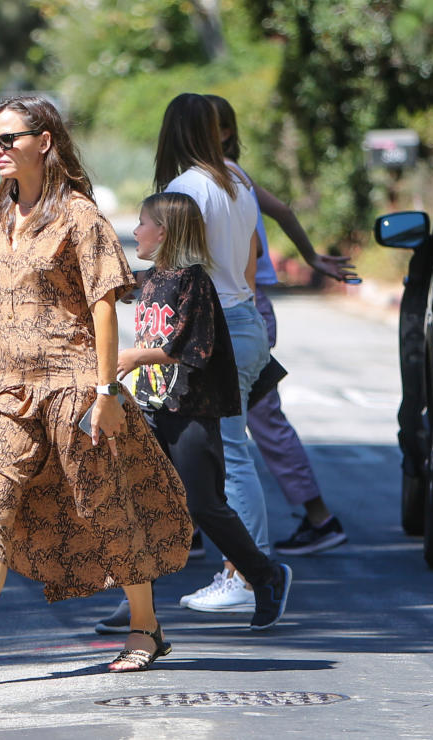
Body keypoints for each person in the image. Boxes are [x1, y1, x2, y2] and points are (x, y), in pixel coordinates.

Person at [0, 95, 192, 686]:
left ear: (46, 140)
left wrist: (107, 390)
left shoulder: (80, 217)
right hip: (9, 391)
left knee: (105, 502)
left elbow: (105, 307)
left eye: (9, 139)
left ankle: (146, 625)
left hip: (74, 387)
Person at [95, 193, 292, 633]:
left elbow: (193, 349)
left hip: (188, 410)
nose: (136, 231)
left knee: (204, 505)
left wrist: (132, 357)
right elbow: (104, 285)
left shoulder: (193, 282)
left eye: (142, 223)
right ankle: (137, 605)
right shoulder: (148, 280)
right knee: (138, 503)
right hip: (149, 408)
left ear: (163, 231)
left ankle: (264, 575)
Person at [155, 92, 290, 615]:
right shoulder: (236, 181)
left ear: (171, 131)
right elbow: (253, 260)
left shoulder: (186, 188)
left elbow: (178, 273)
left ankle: (250, 574)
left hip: (215, 328)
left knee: (229, 454)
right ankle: (246, 570)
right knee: (224, 451)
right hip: (245, 315)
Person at [206, 94, 354, 555]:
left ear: (227, 133)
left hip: (243, 309)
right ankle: (193, 526)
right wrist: (309, 256)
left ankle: (319, 518)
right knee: (199, 418)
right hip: (241, 308)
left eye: (208, 125)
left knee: (259, 420)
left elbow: (249, 249)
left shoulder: (224, 178)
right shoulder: (227, 177)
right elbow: (284, 211)